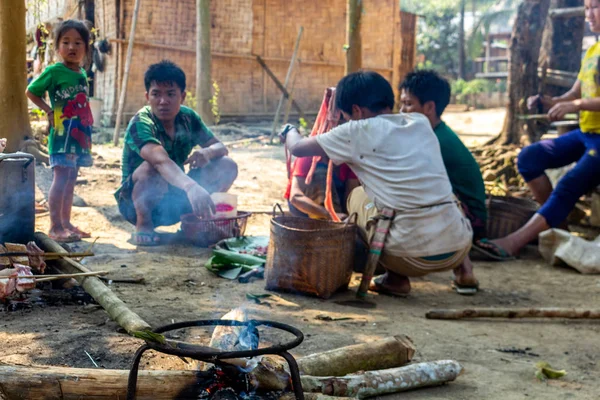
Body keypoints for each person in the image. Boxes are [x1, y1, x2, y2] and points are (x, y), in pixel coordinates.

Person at [281, 71, 477, 296]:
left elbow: (297, 148)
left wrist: (289, 130)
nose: (345, 120)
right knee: (439, 192)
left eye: (345, 115)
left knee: (357, 197)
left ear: (356, 110)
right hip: (458, 247)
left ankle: (395, 279)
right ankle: (465, 272)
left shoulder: (356, 129)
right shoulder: (420, 122)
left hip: (407, 256)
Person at [491, 0, 600, 258]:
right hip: (587, 135)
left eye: (595, 7)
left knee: (569, 182)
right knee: (529, 158)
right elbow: (575, 91)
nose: (589, 14)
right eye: (586, 8)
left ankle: (512, 242)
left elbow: (577, 99)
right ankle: (558, 228)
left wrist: (576, 104)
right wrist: (547, 101)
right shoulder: (593, 50)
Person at [114, 60, 238, 246]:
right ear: (147, 96)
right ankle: (144, 224)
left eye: (171, 94)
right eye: (156, 94)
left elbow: (220, 147)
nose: (163, 101)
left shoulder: (188, 118)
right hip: (134, 203)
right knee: (151, 168)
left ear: (183, 96)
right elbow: (160, 162)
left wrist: (207, 152)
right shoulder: (141, 122)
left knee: (227, 165)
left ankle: (193, 220)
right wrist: (192, 187)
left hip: (176, 199)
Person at [399, 70, 501, 276]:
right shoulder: (435, 134)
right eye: (401, 103)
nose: (401, 111)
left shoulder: (434, 141)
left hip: (467, 221)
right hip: (465, 216)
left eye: (408, 104)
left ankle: (460, 264)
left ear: (429, 107)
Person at [26, 20, 94, 243]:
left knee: (71, 178)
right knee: (61, 175)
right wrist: (47, 111)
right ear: (57, 47)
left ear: (86, 47)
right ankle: (55, 226)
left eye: (78, 42)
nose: (72, 47)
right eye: (66, 42)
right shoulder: (54, 71)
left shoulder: (82, 74)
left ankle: (66, 223)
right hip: (62, 134)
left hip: (79, 135)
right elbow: (32, 91)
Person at [284, 155, 359, 220]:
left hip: (336, 205)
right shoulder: (308, 156)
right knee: (321, 173)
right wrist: (329, 214)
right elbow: (295, 197)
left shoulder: (350, 162)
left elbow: (351, 195)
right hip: (303, 208)